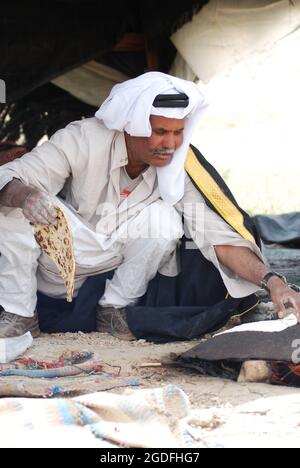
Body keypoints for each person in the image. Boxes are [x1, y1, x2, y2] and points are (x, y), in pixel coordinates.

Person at [0, 72, 299, 341]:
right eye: (160, 131)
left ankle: (114, 313)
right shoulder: (83, 138)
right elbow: (10, 176)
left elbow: (219, 238)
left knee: (165, 218)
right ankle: (20, 315)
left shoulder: (179, 164)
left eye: (177, 132)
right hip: (60, 254)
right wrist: (26, 196)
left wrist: (272, 282)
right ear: (133, 126)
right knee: (13, 205)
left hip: (112, 264)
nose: (170, 143)